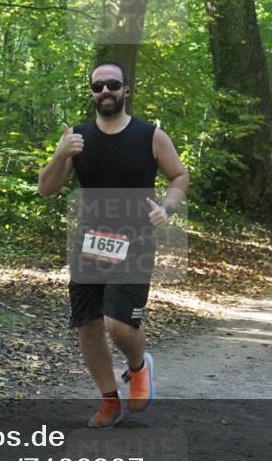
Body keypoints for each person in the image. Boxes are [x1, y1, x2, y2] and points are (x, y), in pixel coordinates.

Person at [38, 61, 189, 429]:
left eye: (112, 85)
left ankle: (138, 367)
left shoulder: (150, 135)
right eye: (98, 86)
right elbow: (46, 188)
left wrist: (167, 208)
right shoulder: (77, 138)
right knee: (88, 325)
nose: (105, 91)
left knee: (118, 324)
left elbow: (179, 175)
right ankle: (109, 400)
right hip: (90, 241)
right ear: (91, 92)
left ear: (125, 90)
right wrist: (61, 154)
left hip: (136, 240)